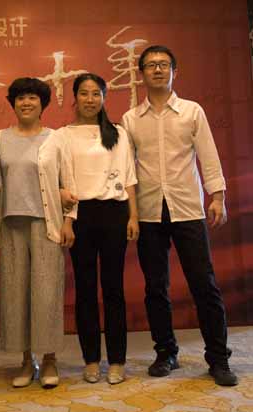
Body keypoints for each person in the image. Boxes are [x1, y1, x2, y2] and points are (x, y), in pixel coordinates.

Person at [121, 45, 238, 386]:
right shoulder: (131, 119)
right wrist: (130, 212)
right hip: (148, 212)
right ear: (141, 74)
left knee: (204, 284)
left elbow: (208, 155)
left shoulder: (192, 111)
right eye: (151, 65)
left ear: (175, 71)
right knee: (156, 287)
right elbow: (126, 170)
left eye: (163, 64)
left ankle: (218, 358)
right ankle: (165, 353)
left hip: (187, 208)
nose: (157, 70)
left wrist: (218, 197)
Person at [0, 77, 75, 389]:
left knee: (47, 293)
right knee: (15, 294)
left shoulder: (56, 139)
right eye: (20, 97)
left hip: (46, 224)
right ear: (13, 103)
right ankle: (25, 360)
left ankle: (49, 359)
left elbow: (68, 182)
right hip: (11, 224)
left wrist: (69, 221)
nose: (26, 102)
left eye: (32, 97)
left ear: (42, 103)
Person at [58, 73, 138, 385]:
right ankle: (91, 359)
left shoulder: (118, 133)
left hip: (115, 213)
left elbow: (129, 177)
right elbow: (64, 180)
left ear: (104, 97)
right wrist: (68, 219)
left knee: (114, 288)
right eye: (84, 93)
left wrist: (133, 217)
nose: (90, 99)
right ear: (75, 98)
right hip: (81, 214)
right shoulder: (63, 135)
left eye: (96, 93)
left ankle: (117, 360)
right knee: (85, 289)